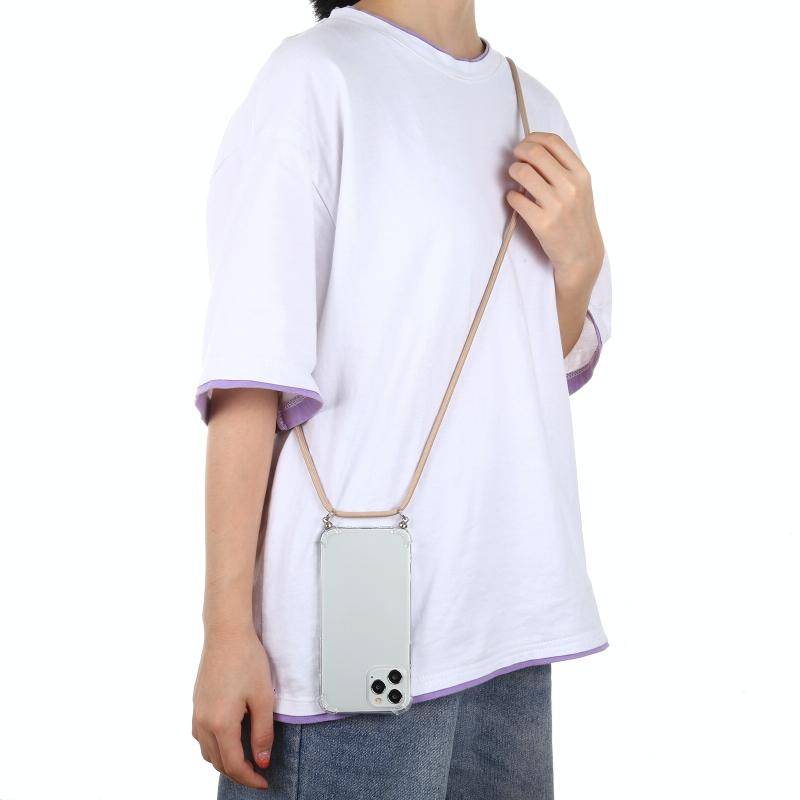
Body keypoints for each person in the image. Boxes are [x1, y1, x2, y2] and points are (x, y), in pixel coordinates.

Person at [192, 1, 612, 797]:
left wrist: (579, 266)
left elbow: (525, 368)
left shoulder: (535, 106)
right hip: (352, 634)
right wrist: (225, 629)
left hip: (509, 629)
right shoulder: (315, 77)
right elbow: (251, 371)